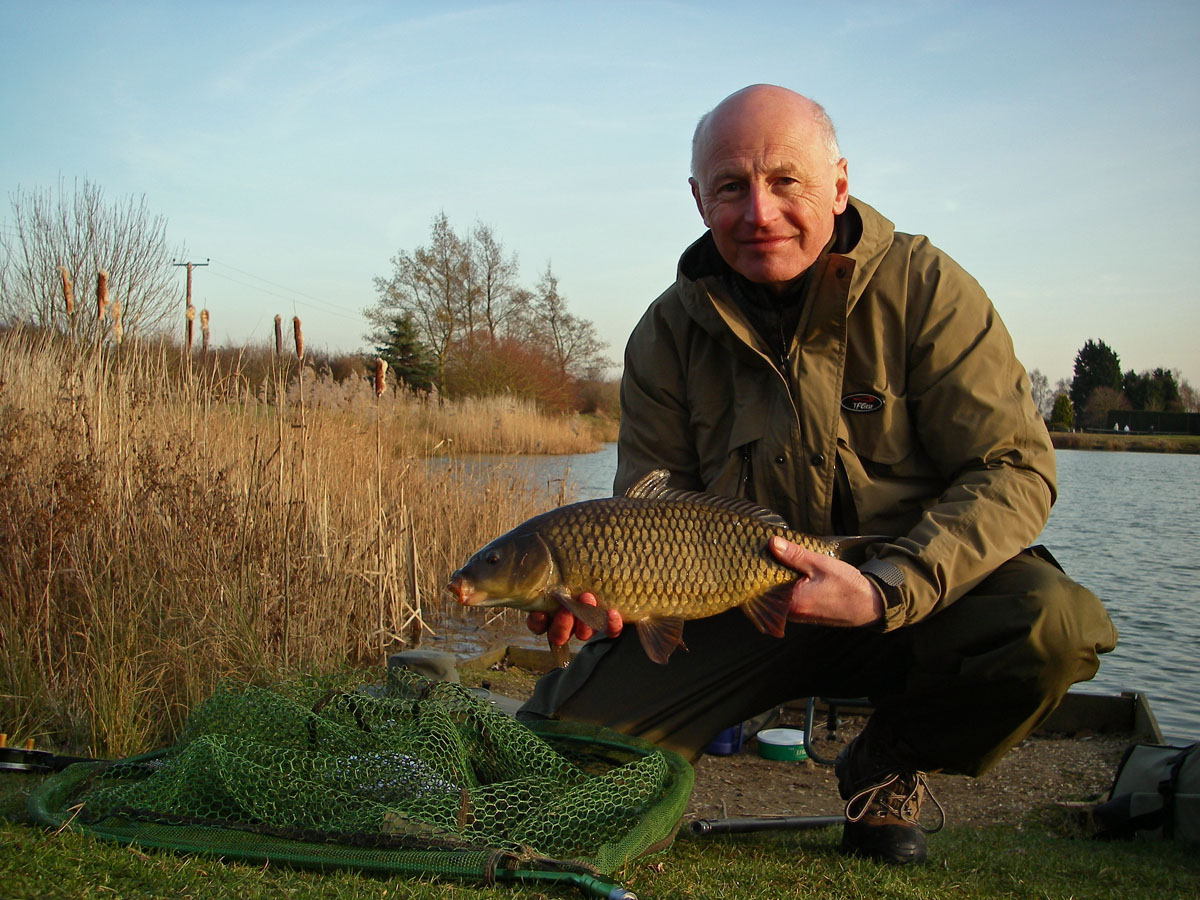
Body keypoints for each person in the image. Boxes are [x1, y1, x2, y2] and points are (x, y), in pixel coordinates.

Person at [516, 84, 1117, 865]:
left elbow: (1014, 469)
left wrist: (886, 588)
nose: (759, 212)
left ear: (838, 184)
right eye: (731, 186)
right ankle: (638, 777)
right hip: (735, 601)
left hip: (911, 596)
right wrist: (605, 597)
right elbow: (645, 511)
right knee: (551, 759)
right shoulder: (665, 333)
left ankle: (885, 764)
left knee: (1052, 628)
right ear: (698, 200)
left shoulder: (927, 290)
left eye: (784, 181)